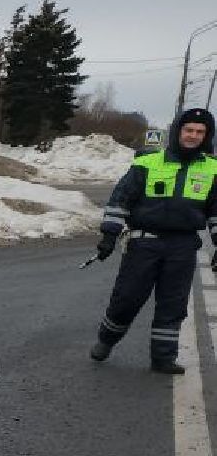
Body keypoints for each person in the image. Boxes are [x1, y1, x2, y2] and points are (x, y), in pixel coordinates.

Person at [89, 107, 216, 374]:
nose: (193, 136)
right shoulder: (148, 163)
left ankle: (163, 358)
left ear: (207, 136)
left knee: (173, 305)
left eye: (200, 132)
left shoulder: (213, 170)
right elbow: (121, 199)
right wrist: (109, 235)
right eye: (189, 130)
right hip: (144, 244)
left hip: (182, 247)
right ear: (178, 131)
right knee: (127, 299)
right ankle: (106, 340)